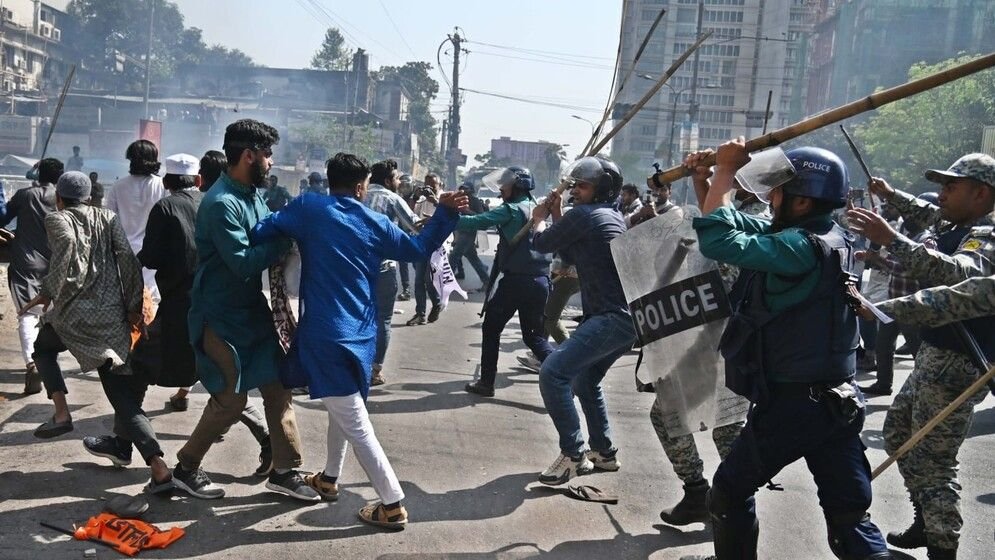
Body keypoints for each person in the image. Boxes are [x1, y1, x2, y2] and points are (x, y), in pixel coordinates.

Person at [691, 138, 889, 560]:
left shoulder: (797, 247)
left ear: (800, 201)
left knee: (727, 493)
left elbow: (718, 240)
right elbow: (734, 227)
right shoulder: (826, 238)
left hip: (794, 404)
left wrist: (726, 170)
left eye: (777, 191)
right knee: (850, 519)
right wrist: (705, 180)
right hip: (836, 400)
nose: (770, 199)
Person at [251, 152, 468, 529]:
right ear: (359, 187)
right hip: (362, 335)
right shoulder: (375, 221)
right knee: (346, 410)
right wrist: (446, 215)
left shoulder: (308, 208)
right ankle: (330, 479)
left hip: (326, 335)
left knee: (354, 421)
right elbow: (418, 250)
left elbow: (260, 231)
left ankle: (392, 503)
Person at [845, 153, 995, 560]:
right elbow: (928, 213)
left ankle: (943, 544)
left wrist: (893, 240)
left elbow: (960, 276)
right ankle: (927, 518)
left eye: (952, 186)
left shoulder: (988, 235)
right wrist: (891, 195)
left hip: (961, 359)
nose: (942, 194)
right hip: (937, 351)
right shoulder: (960, 222)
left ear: (981, 194)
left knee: (933, 454)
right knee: (898, 432)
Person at [171, 119, 317, 502]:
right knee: (232, 399)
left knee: (278, 387)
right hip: (219, 316)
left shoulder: (251, 194)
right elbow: (243, 262)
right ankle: (186, 468)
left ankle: (286, 471)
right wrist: (283, 242)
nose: (270, 163)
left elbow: (268, 228)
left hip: (252, 311)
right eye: (267, 155)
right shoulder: (221, 204)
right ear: (249, 156)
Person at [25, 172, 173, 492]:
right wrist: (134, 305)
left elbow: (65, 245)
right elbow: (129, 263)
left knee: (43, 349)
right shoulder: (107, 218)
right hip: (110, 321)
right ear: (90, 196)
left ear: (60, 198)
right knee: (121, 394)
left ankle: (62, 414)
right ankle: (158, 465)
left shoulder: (58, 219)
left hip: (72, 317)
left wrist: (49, 290)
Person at [527, 157, 634, 485]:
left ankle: (573, 455)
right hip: (627, 320)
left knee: (553, 373)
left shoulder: (586, 215)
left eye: (583, 186)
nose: (576, 191)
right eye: (575, 185)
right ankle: (603, 452)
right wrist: (558, 215)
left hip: (610, 317)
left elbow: (542, 244)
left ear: (601, 190)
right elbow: (572, 254)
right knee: (585, 381)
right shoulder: (610, 216)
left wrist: (538, 219)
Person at [460, 167, 555, 397]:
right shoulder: (538, 208)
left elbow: (479, 222)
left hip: (516, 282)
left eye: (505, 185)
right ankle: (566, 373)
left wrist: (445, 218)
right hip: (541, 280)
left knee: (491, 328)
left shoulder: (511, 210)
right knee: (533, 336)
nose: (501, 189)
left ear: (517, 186)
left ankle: (486, 382)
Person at [0, 158, 60, 394]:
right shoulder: (62, 198)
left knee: (27, 315)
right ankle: (48, 360)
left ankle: (32, 364)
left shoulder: (25, 195)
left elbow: (3, 218)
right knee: (51, 315)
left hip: (25, 263)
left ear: (38, 173)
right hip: (57, 264)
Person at [364, 160, 419, 386]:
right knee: (383, 320)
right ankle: (375, 371)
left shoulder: (360, 194)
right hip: (384, 269)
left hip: (355, 268)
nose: (399, 183)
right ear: (388, 181)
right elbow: (417, 227)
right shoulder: (392, 198)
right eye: (396, 178)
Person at [105, 140, 167, 304]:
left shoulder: (118, 186)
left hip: (124, 254)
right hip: (155, 253)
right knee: (152, 302)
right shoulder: (162, 186)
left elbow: (109, 221)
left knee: (126, 303)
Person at [405, 173, 444, 325]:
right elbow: (408, 213)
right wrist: (415, 197)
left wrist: (434, 200)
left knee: (429, 280)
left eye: (432, 186)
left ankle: (437, 303)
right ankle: (420, 313)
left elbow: (449, 217)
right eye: (426, 185)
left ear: (440, 186)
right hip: (421, 242)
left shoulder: (444, 198)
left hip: (438, 244)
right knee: (419, 280)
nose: (429, 189)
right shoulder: (421, 199)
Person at [448, 180, 490, 286]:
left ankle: (446, 282)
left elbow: (481, 217)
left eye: (465, 188)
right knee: (472, 258)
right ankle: (486, 280)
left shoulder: (475, 201)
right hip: (460, 231)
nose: (463, 190)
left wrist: (468, 211)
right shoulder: (459, 200)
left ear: (471, 190)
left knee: (453, 257)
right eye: (462, 188)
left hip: (469, 232)